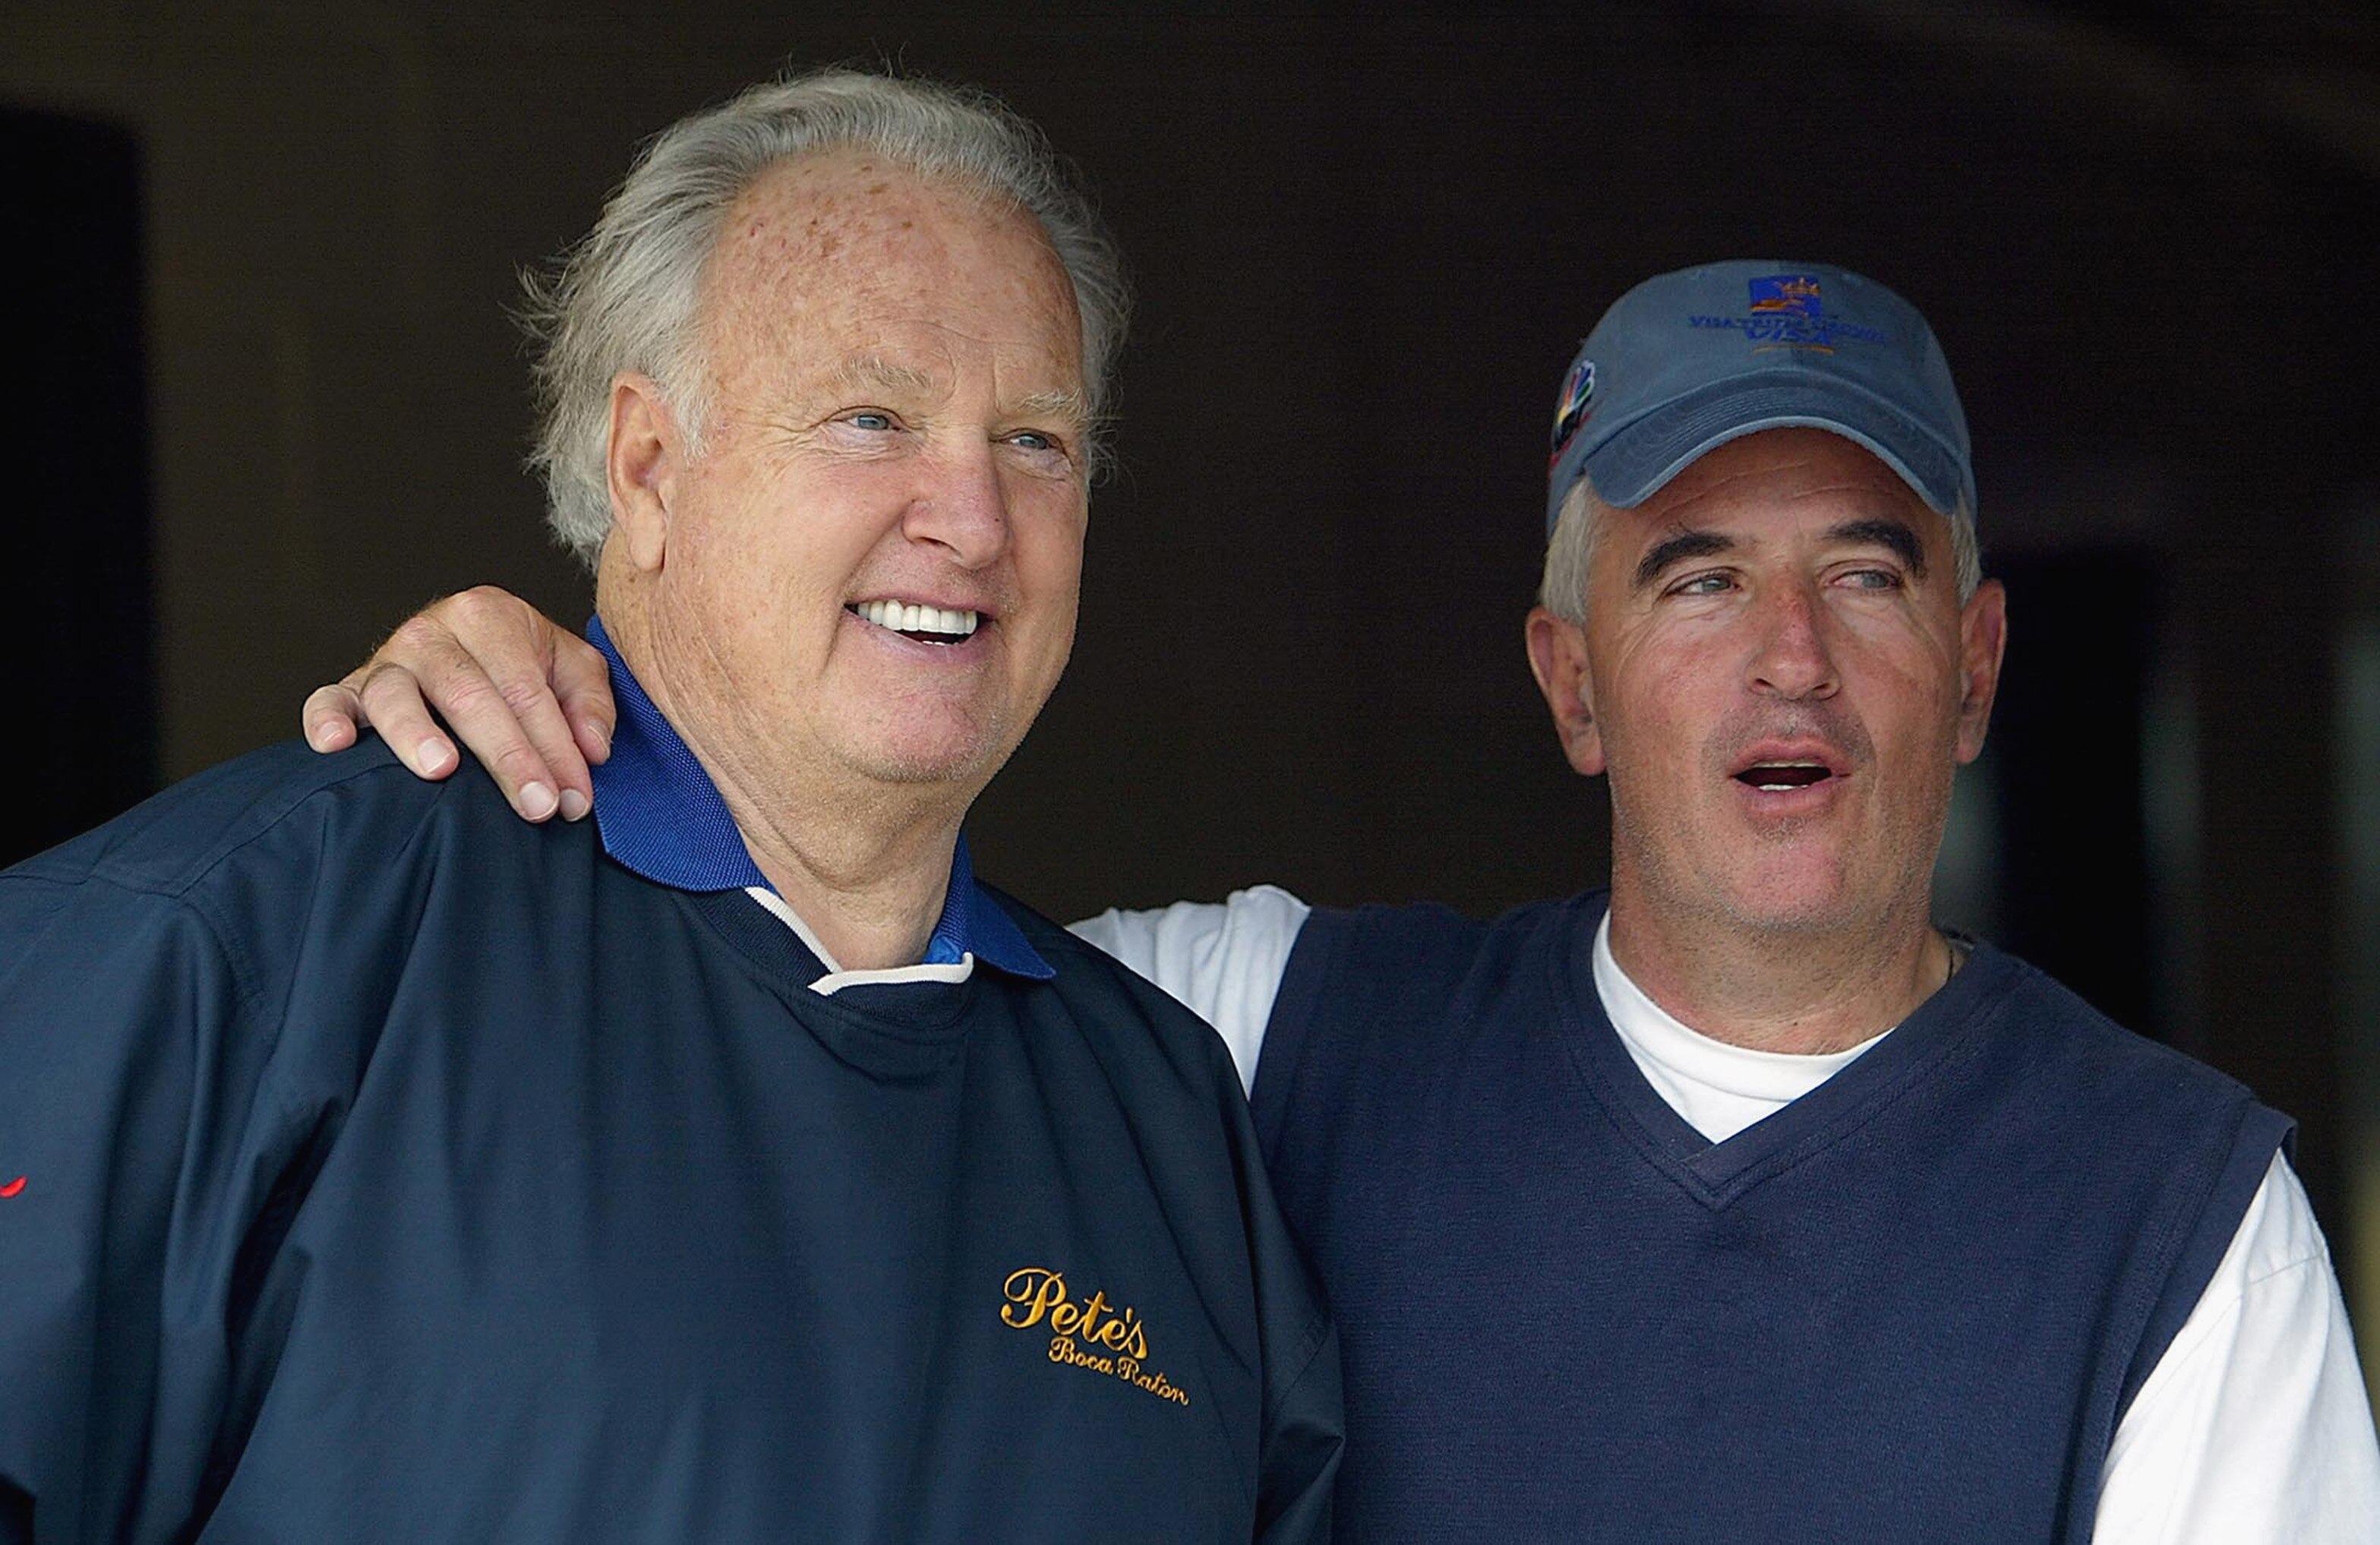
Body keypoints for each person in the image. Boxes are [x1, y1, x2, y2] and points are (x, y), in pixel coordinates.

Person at [310, 259, 2380, 1540]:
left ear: (1978, 671)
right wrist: (567, 705)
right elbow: (809, 957)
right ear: (1565, 681)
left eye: (1862, 572)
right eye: (1687, 576)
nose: (1785, 657)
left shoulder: (2176, 1221)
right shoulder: (1266, 1030)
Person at [0, 70, 1341, 1545]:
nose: (972, 519)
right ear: (647, 467)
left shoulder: (1159, 1112)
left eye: (1035, 439)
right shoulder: (269, 939)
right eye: (872, 415)